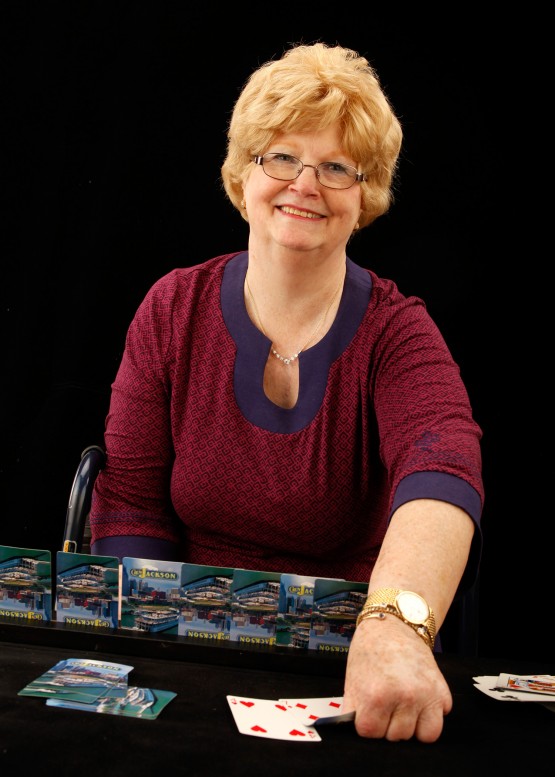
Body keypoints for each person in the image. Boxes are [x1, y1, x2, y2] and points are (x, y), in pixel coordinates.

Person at [89, 41, 484, 743]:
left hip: (348, 671)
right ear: (244, 173)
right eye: (281, 157)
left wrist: (393, 631)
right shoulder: (171, 307)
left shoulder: (399, 331)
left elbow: (443, 468)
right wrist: (140, 652)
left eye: (336, 166)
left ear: (365, 194)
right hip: (187, 650)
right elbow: (131, 499)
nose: (306, 183)